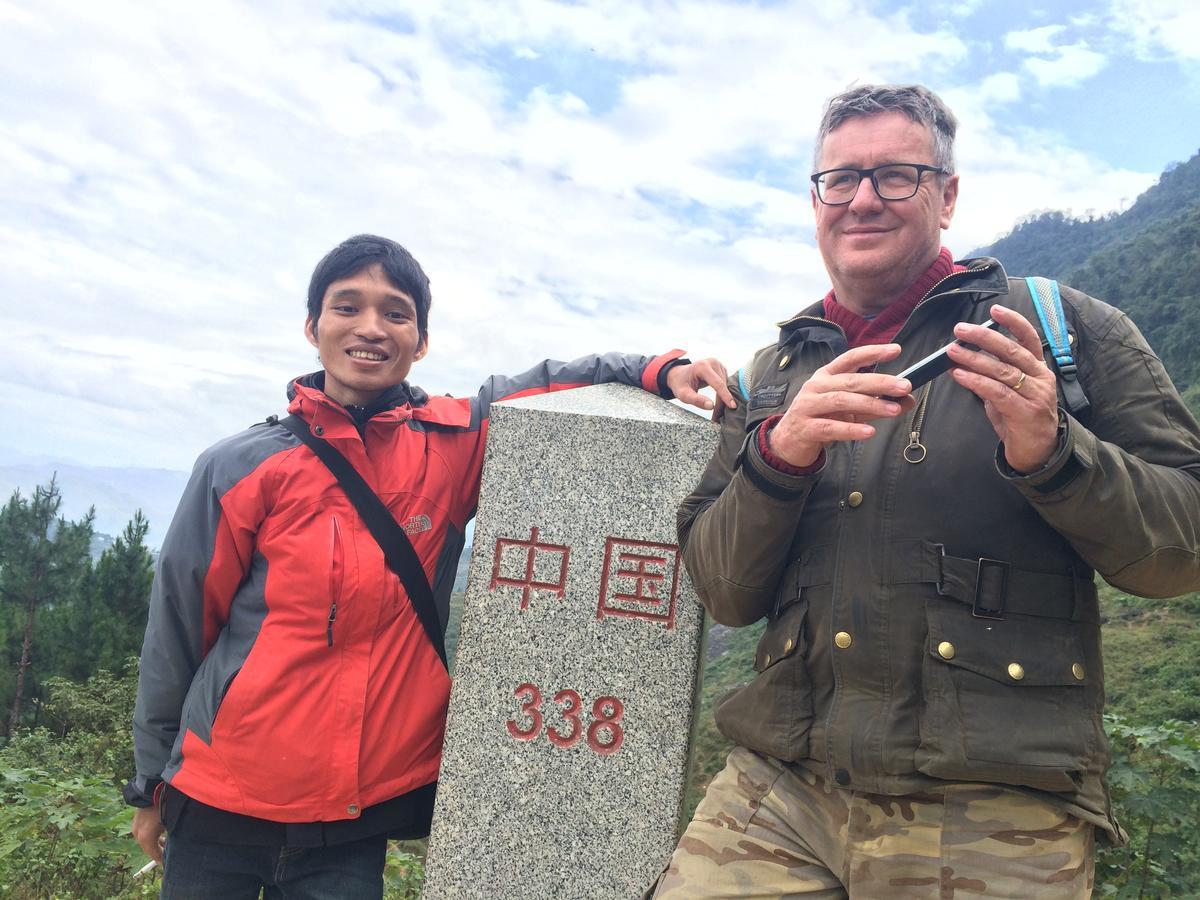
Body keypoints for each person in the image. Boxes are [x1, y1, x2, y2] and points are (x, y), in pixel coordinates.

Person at [652, 84, 1200, 898]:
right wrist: (780, 457)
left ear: (946, 197)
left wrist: (1055, 454)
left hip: (996, 803)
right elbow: (725, 591)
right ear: (816, 203)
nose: (862, 199)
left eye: (895, 176)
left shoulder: (1061, 328)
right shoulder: (771, 376)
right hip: (779, 789)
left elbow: (1182, 552)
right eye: (839, 180)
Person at [123, 234, 734, 898]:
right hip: (221, 800)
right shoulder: (239, 465)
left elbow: (557, 383)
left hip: (351, 822)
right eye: (346, 306)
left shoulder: (449, 444)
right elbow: (179, 630)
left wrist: (660, 370)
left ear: (420, 341)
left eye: (395, 313)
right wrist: (150, 781)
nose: (370, 328)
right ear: (312, 326)